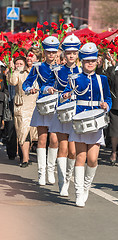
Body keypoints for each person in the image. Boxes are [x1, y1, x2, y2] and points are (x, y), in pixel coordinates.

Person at [62, 42, 112, 207]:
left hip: (96, 121)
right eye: (86, 61)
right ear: (81, 62)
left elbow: (109, 98)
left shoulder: (102, 79)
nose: (90, 64)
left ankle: (86, 187)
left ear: (97, 61)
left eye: (92, 61)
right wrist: (67, 95)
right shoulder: (75, 78)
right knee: (80, 157)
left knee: (92, 159)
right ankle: (78, 193)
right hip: (80, 121)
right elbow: (64, 95)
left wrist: (107, 105)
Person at [42, 34, 81, 196]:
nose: (71, 55)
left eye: (74, 52)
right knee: (63, 148)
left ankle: (68, 177)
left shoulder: (83, 71)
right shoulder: (58, 71)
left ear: (78, 54)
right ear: (64, 54)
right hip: (62, 112)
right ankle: (62, 183)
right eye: (68, 53)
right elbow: (47, 84)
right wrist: (49, 90)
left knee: (73, 152)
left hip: (77, 115)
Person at [22, 36, 59, 185]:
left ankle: (51, 170)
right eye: (48, 52)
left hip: (56, 105)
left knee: (54, 139)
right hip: (43, 105)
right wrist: (30, 89)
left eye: (54, 52)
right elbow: (27, 83)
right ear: (44, 52)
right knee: (42, 139)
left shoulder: (61, 68)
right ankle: (41, 172)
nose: (51, 54)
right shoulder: (38, 67)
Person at [7, 53, 40, 167]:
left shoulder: (40, 71)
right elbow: (12, 82)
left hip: (36, 105)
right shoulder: (19, 71)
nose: (29, 58)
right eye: (28, 56)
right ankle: (25, 159)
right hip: (22, 106)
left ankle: (31, 154)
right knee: (23, 132)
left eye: (32, 56)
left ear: (37, 59)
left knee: (33, 134)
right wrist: (11, 70)